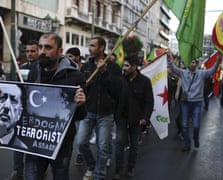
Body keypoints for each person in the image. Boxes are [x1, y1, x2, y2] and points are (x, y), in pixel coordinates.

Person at [24, 33, 86, 180]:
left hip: (62, 141)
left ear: (59, 51)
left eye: (48, 47)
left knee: (60, 175)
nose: (42, 51)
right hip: (35, 138)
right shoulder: (34, 70)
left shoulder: (75, 76)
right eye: (40, 47)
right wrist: (3, 93)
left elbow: (81, 114)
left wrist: (80, 103)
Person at [77, 36, 122, 180]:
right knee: (81, 143)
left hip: (106, 113)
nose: (90, 48)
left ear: (102, 48)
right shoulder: (86, 66)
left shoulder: (114, 68)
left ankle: (98, 175)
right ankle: (91, 165)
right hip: (88, 111)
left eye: (92, 46)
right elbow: (81, 86)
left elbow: (117, 90)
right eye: (89, 45)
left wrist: (104, 72)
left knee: (103, 148)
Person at [168, 53, 221, 152]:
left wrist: (217, 61)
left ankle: (196, 139)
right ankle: (187, 144)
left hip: (197, 103)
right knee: (184, 125)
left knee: (196, 125)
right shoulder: (183, 72)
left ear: (196, 64)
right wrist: (169, 59)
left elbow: (212, 70)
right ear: (188, 64)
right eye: (191, 62)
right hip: (185, 103)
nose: (192, 64)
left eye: (194, 62)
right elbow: (174, 68)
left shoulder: (202, 73)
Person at [113, 54, 154, 179]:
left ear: (134, 67)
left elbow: (149, 102)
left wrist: (145, 118)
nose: (124, 68)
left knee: (134, 146)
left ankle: (130, 168)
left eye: (127, 66)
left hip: (137, 120)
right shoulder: (120, 80)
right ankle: (118, 170)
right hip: (122, 119)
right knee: (119, 143)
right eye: (123, 65)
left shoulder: (145, 82)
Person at [5, 40, 39, 180]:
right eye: (28, 51)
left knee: (34, 144)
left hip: (36, 112)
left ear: (38, 51)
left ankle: (38, 171)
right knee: (17, 141)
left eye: (33, 51)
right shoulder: (22, 67)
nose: (30, 54)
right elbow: (15, 88)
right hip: (20, 111)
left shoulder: (42, 68)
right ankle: (17, 170)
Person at [0, 83, 27, 149]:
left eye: (13, 101)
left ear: (20, 113)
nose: (7, 106)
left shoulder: (21, 148)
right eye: (2, 97)